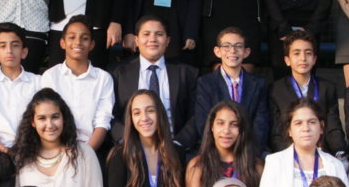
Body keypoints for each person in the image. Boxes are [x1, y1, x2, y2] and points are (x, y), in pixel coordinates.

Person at [102, 89, 189, 187]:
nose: (144, 118)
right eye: (137, 113)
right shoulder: (120, 155)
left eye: (150, 111)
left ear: (160, 114)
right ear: (131, 119)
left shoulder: (177, 153)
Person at [111, 12, 199, 151]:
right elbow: (110, 114)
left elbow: (196, 115)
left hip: (175, 148)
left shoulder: (186, 73)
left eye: (159, 34)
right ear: (136, 40)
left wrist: (178, 144)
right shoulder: (119, 73)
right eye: (146, 34)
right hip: (131, 150)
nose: (152, 39)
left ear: (168, 40)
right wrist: (127, 142)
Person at [184, 100, 265, 187]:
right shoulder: (197, 166)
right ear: (212, 127)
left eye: (234, 124)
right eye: (220, 123)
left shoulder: (256, 167)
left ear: (242, 129)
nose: (226, 130)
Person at [40, 17, 115, 154]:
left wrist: (86, 154)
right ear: (62, 43)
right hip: (56, 149)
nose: (78, 42)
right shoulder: (50, 76)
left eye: (84, 38)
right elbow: (46, 118)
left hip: (91, 150)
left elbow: (102, 122)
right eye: (72, 37)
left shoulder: (103, 79)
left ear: (92, 44)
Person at [192, 25, 272, 147]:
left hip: (249, 149)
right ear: (217, 51)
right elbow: (204, 123)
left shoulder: (258, 84)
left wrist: (248, 151)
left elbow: (261, 124)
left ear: (246, 52)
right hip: (216, 149)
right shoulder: (205, 83)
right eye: (226, 46)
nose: (232, 51)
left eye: (238, 46)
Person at [269, 29, 344, 153]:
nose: (303, 58)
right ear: (287, 60)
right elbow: (276, 131)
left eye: (308, 53)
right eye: (297, 53)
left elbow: (333, 126)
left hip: (321, 152)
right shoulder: (276, 90)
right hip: (288, 153)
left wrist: (339, 151)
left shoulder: (327, 88)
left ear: (314, 59)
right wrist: (286, 156)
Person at [0, 23, 43, 149]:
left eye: (15, 45)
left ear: (24, 52)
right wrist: (4, 151)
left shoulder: (38, 82)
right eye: (3, 46)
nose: (9, 51)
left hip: (32, 149)